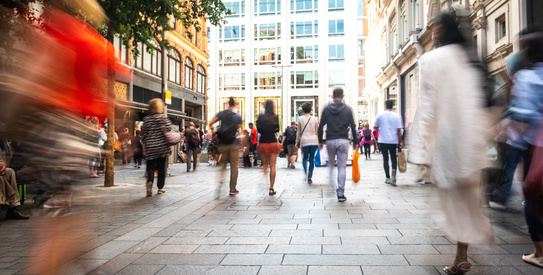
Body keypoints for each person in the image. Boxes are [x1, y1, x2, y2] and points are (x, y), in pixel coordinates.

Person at [409, 11, 495, 274]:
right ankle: (462, 253)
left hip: (448, 144)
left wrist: (422, 146)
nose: (432, 32)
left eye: (434, 28)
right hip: (472, 145)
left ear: (439, 30)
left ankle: (468, 245)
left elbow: (429, 107)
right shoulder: (468, 57)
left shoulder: (432, 59)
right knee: (467, 200)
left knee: (453, 203)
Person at [504, 32, 543, 269]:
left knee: (532, 195)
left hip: (534, 146)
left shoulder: (526, 77)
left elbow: (523, 115)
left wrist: (506, 134)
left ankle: (539, 252)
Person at [318, 88, 359, 202]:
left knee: (331, 164)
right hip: (343, 140)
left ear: (332, 96)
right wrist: (356, 142)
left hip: (330, 140)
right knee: (342, 167)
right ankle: (340, 192)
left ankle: (331, 185)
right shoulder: (348, 109)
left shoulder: (326, 109)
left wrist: (320, 141)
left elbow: (320, 126)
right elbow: (353, 127)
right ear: (343, 96)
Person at [209, 97, 242, 195]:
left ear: (227, 104)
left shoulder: (221, 113)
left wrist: (212, 130)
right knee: (234, 166)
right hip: (234, 144)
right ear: (235, 105)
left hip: (223, 144)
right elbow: (239, 130)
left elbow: (211, 122)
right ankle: (232, 189)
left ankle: (220, 181)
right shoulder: (237, 116)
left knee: (223, 165)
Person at [141, 99, 172, 196]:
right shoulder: (163, 118)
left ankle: (150, 182)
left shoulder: (146, 119)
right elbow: (169, 129)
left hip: (150, 146)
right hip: (162, 146)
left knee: (150, 167)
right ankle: (160, 188)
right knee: (161, 167)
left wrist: (144, 145)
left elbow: (143, 134)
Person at [374, 100, 404, 186]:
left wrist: (380, 127)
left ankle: (388, 177)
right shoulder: (397, 116)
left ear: (385, 106)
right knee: (393, 158)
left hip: (383, 140)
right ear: (393, 106)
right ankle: (394, 171)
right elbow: (399, 130)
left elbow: (375, 126)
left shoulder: (380, 115)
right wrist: (401, 141)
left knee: (385, 159)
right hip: (393, 140)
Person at [256, 100, 282, 195]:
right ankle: (271, 188)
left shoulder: (261, 116)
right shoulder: (275, 117)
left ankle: (264, 179)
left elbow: (258, 129)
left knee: (265, 165)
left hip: (263, 143)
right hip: (273, 143)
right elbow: (277, 129)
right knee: (273, 166)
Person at [297, 102, 319, 184]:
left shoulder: (300, 119)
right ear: (311, 110)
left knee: (304, 158)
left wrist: (297, 142)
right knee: (312, 158)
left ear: (303, 110)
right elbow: (316, 131)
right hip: (314, 140)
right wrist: (319, 141)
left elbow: (298, 132)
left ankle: (305, 172)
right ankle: (310, 176)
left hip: (304, 141)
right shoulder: (314, 119)